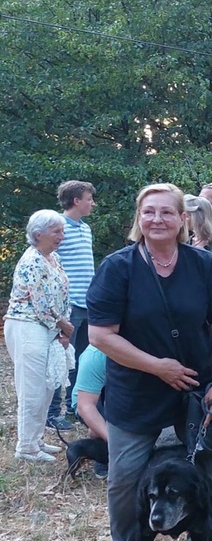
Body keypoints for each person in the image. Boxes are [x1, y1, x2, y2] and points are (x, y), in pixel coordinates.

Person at [87, 183, 212, 541]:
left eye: (166, 212)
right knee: (123, 477)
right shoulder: (118, 268)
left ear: (182, 219)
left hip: (196, 389)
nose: (157, 219)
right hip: (136, 389)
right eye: (149, 212)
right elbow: (100, 335)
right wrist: (157, 367)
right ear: (138, 218)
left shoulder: (203, 263)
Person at [3, 210, 73, 462]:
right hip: (27, 326)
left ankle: (36, 440)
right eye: (56, 231)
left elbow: (63, 294)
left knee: (46, 388)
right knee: (32, 390)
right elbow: (41, 304)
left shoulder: (53, 258)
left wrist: (63, 326)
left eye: (62, 231)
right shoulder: (32, 260)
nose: (61, 236)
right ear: (38, 234)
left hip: (48, 327)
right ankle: (26, 448)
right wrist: (64, 326)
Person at [48, 180, 97, 430]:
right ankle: (52, 413)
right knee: (61, 357)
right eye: (89, 199)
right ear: (76, 201)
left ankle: (75, 406)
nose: (92, 203)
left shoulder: (85, 229)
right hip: (68, 306)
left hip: (88, 302)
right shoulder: (57, 226)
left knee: (81, 359)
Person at [71, 344, 110, 478]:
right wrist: (113, 442)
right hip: (89, 402)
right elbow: (85, 407)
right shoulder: (95, 355)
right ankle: (102, 459)